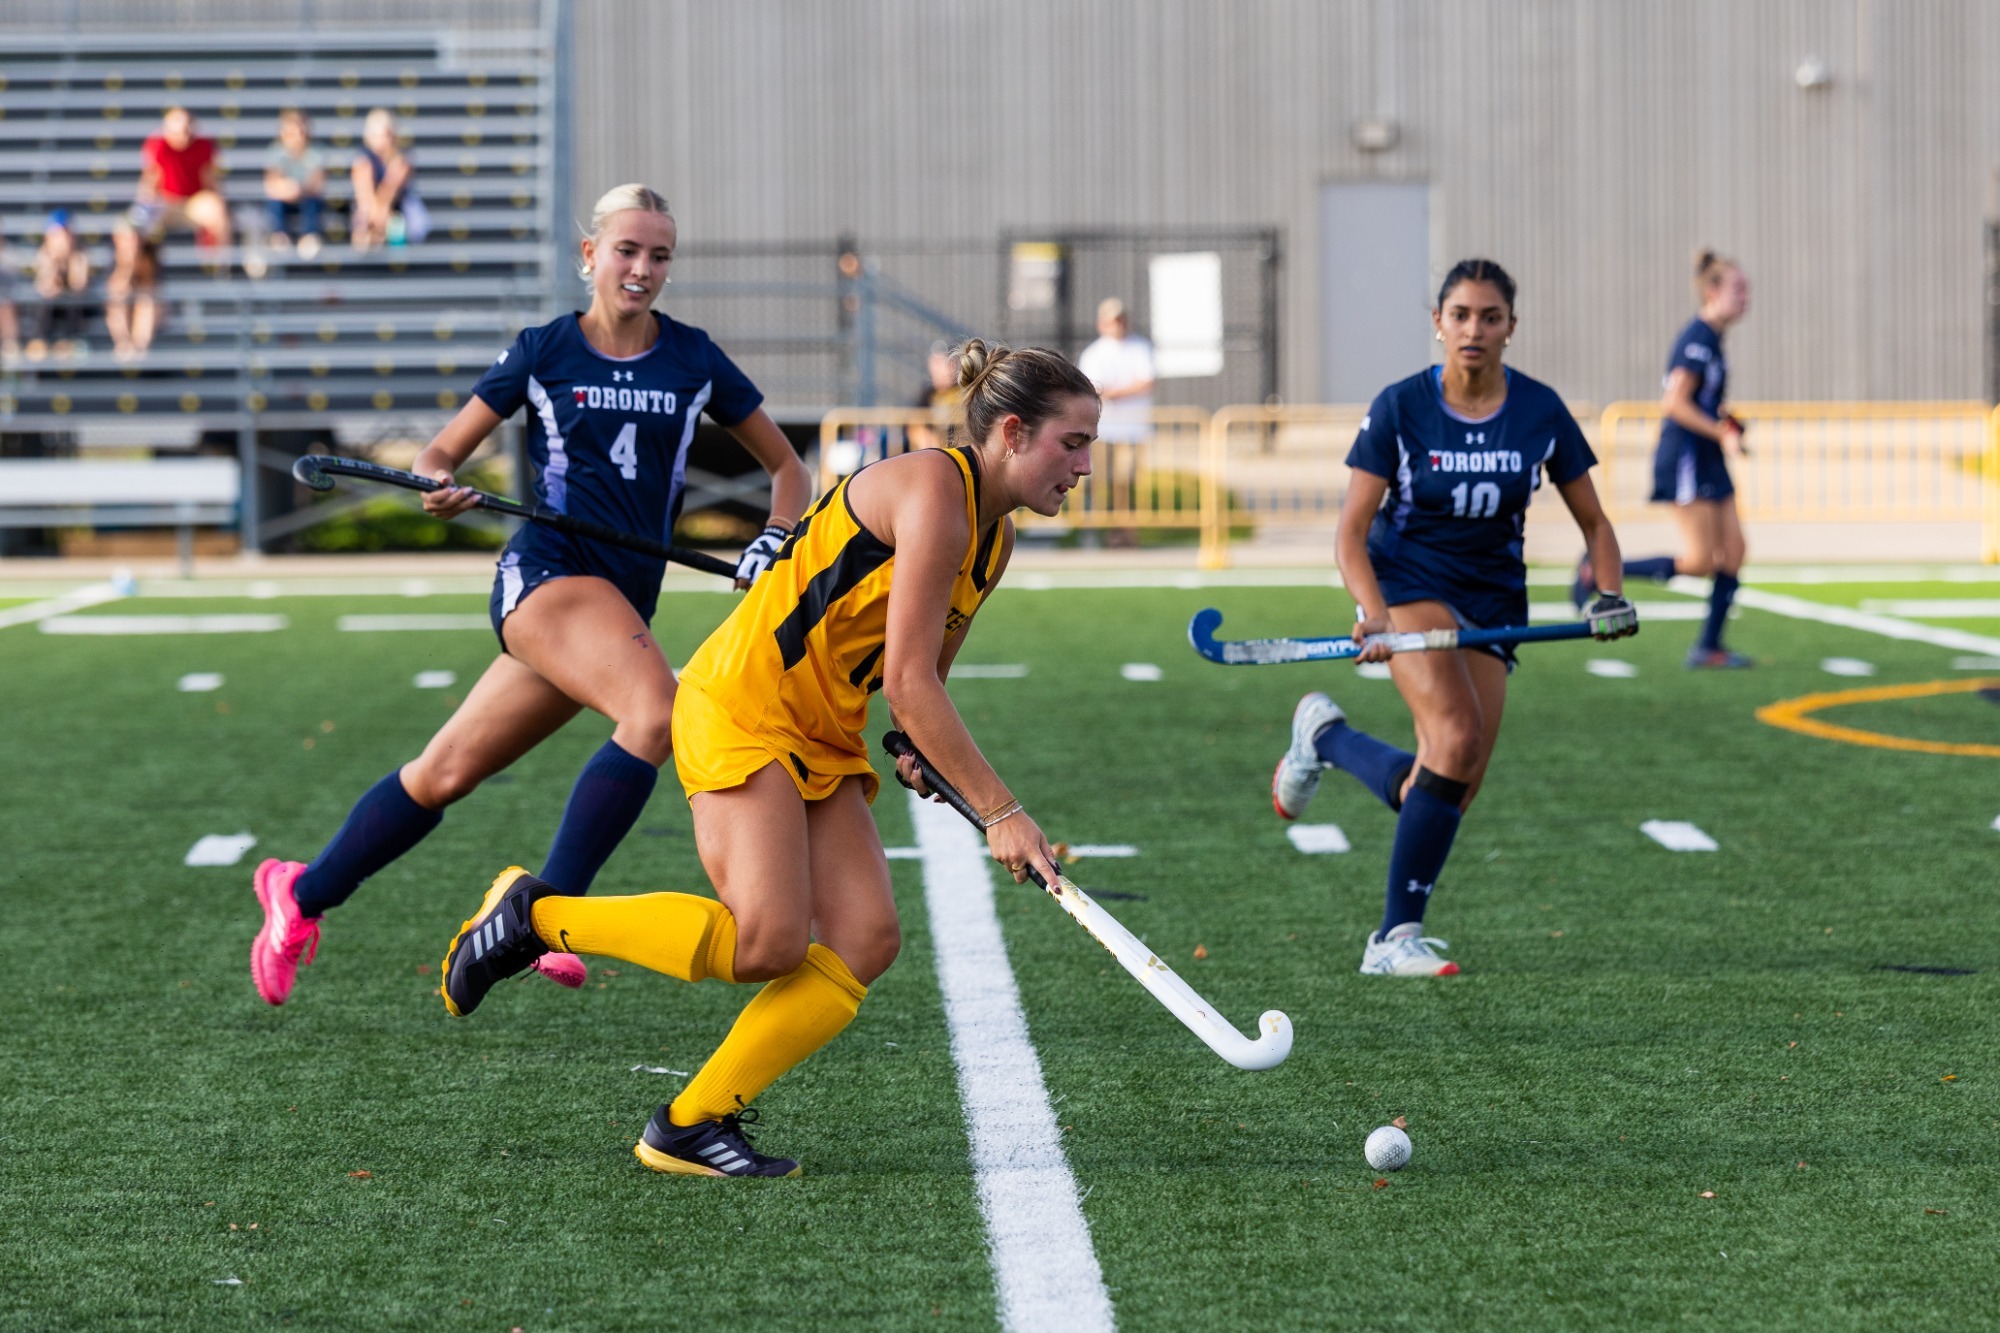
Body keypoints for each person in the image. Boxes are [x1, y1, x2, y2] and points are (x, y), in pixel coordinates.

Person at [435, 340, 1098, 1177]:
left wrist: (916, 752)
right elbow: (909, 683)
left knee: (865, 939)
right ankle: (534, 917)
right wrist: (1001, 811)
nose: (1084, 466)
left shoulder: (992, 540)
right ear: (1011, 432)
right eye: (1073, 443)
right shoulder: (934, 491)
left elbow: (918, 678)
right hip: (744, 706)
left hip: (821, 730)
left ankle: (690, 1123)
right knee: (767, 940)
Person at [248, 184, 812, 1007]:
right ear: (591, 254)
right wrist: (438, 486)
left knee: (444, 772)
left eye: (659, 255)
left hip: (620, 600)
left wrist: (774, 536)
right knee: (656, 711)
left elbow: (788, 468)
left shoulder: (694, 358)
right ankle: (545, 915)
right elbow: (440, 453)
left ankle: (299, 894)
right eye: (626, 250)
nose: (642, 268)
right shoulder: (545, 349)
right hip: (547, 575)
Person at [1270, 259, 1638, 977]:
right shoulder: (1401, 406)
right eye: (1461, 315)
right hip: (1408, 581)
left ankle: (1327, 737)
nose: (1474, 329)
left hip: (1494, 599)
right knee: (1457, 736)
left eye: (1489, 317)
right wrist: (1375, 614)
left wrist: (1609, 594)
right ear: (1438, 323)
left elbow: (1595, 524)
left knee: (1452, 782)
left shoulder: (1540, 410)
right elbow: (1351, 532)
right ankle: (1392, 938)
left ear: (1510, 327)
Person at [1578, 250, 1752, 668]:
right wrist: (1721, 433)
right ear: (1712, 292)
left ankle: (1708, 647)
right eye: (1738, 289)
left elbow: (1702, 400)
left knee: (1734, 550)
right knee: (1700, 561)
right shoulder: (1698, 337)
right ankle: (1596, 569)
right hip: (1688, 458)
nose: (1746, 297)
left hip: (1708, 457)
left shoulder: (1713, 339)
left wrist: (1727, 421)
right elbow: (1674, 403)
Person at [1076, 298, 1153, 542]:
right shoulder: (1094, 353)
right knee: (1103, 482)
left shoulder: (1139, 347)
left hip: (1133, 429)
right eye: (1112, 321)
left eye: (1120, 320)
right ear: (1102, 323)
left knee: (1127, 480)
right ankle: (1104, 531)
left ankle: (1126, 531)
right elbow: (1092, 388)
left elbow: (1145, 383)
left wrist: (1113, 393)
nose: (1117, 325)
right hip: (1104, 430)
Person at [349, 109, 425, 251]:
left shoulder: (402, 158)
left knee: (409, 225)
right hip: (372, 209)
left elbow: (390, 191)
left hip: (398, 207)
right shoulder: (363, 160)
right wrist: (372, 216)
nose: (382, 139)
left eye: (385, 134)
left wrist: (381, 215)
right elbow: (364, 193)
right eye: (377, 135)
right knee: (363, 220)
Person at [26, 211, 92, 361]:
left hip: (73, 309)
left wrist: (69, 262)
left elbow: (78, 285)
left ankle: (67, 340)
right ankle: (39, 339)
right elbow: (44, 287)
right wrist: (54, 264)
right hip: (50, 308)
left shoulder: (80, 254)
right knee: (45, 299)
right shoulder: (44, 254)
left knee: (72, 299)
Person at [263, 109, 327, 259]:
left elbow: (318, 184)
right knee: (274, 203)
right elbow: (270, 184)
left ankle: (310, 236)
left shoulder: (316, 152)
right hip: (284, 199)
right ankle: (280, 236)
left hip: (306, 197)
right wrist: (287, 189)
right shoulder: (276, 152)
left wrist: (299, 190)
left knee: (313, 202)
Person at [104, 216, 162, 360]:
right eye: (128, 238)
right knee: (117, 300)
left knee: (146, 301)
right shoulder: (114, 258)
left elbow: (151, 287)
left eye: (135, 238)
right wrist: (127, 266)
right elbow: (117, 288)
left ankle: (140, 346)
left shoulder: (150, 257)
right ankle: (123, 343)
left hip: (150, 308)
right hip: (125, 307)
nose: (133, 243)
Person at [905, 340, 963, 450]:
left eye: (947, 363)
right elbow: (912, 424)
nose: (942, 369)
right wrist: (926, 438)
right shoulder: (927, 394)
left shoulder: (963, 393)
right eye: (937, 363)